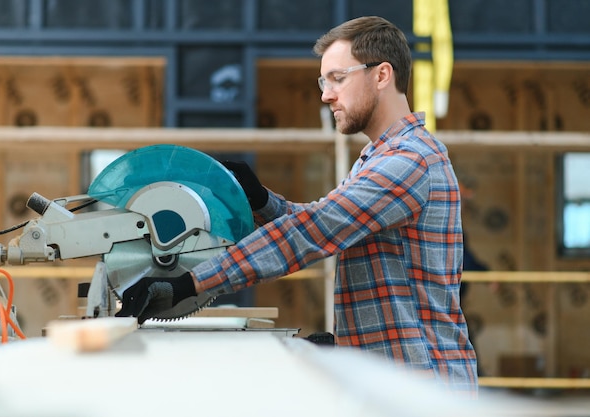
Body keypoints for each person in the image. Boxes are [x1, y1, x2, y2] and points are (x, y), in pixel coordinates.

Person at [117, 16, 478, 396]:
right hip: (395, 378)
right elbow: (325, 221)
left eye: (338, 78)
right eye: (324, 82)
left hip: (421, 389)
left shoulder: (408, 162)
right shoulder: (378, 157)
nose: (326, 95)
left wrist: (188, 283)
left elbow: (314, 232)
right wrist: (260, 200)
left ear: (382, 75)